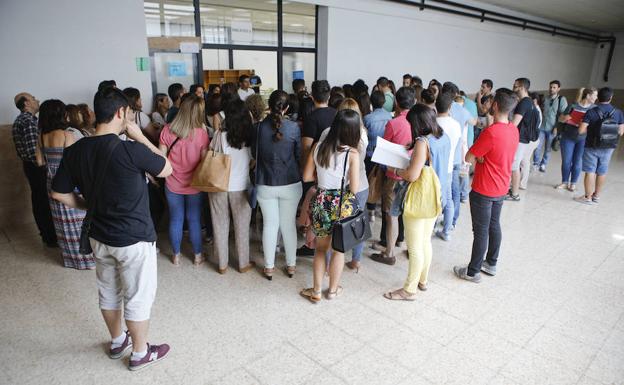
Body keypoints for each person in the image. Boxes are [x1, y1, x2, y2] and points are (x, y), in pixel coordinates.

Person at [51, 87, 173, 371]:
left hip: (99, 236)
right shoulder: (130, 150)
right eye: (128, 114)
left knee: (108, 290)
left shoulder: (76, 149)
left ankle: (118, 340)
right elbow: (167, 169)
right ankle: (141, 353)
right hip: (134, 237)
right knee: (137, 295)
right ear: (121, 113)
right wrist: (141, 137)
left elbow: (58, 193)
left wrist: (86, 205)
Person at [454, 89, 519, 282]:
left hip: (484, 188)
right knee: (494, 225)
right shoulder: (513, 130)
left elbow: (468, 157)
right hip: (501, 187)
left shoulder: (491, 133)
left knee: (480, 231)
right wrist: (482, 157)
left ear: (495, 105)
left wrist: (481, 158)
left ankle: (472, 271)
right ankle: (491, 263)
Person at [300, 109, 361, 303]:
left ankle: (316, 291)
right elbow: (355, 187)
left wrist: (323, 178)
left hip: (321, 201)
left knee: (320, 249)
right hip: (341, 204)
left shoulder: (318, 146)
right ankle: (333, 291)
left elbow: (306, 177)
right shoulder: (352, 153)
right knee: (339, 250)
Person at [383, 104, 442, 300]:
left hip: (419, 197)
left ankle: (409, 290)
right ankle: (422, 280)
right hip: (433, 194)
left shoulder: (421, 143)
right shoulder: (439, 137)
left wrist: (397, 171)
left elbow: (412, 175)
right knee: (426, 241)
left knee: (415, 246)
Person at [38, 100, 94, 270]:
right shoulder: (66, 134)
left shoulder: (41, 135)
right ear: (62, 114)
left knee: (61, 221)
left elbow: (39, 161)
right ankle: (86, 259)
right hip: (67, 181)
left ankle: (70, 259)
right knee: (78, 219)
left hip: (50, 181)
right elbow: (72, 162)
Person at [253, 90, 302, 280]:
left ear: (269, 105)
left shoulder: (257, 128)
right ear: (287, 107)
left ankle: (269, 267)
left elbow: (253, 154)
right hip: (290, 181)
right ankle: (291, 266)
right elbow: (298, 155)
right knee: (288, 225)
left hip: (265, 182)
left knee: (270, 225)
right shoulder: (294, 128)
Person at [159, 95, 209, 266]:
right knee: (194, 219)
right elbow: (204, 162)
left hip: (172, 184)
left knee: (176, 219)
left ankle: (176, 255)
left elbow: (161, 159)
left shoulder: (166, 130)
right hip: (194, 185)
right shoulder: (202, 134)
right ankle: (197, 256)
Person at [370, 87, 416, 266]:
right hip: (412, 174)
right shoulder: (417, 122)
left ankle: (389, 252)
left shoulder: (394, 123)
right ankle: (404, 244)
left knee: (391, 215)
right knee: (406, 212)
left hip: (394, 175)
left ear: (396, 102)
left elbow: (385, 149)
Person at [208, 99, 254, 273]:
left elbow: (211, 152)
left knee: (219, 223)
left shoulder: (220, 134)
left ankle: (222, 264)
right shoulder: (250, 135)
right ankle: (243, 264)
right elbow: (253, 160)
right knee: (242, 226)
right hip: (241, 185)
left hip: (219, 184)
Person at [12, 92, 57, 247]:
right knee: (43, 201)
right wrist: (47, 165)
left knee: (39, 199)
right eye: (32, 98)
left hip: (31, 166)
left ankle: (47, 235)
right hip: (37, 166)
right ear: (26, 104)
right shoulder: (29, 121)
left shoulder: (24, 120)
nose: (37, 100)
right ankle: (50, 237)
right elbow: (34, 152)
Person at [333, 98, 369, 272]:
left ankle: (327, 265)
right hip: (361, 183)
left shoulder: (331, 134)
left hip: (337, 185)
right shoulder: (362, 133)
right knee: (357, 223)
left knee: (332, 225)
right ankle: (356, 260)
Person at [574, 87, 624, 204]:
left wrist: (592, 131)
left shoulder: (591, 112)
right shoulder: (618, 113)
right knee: (602, 171)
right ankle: (596, 196)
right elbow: (621, 132)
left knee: (590, 170)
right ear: (611, 98)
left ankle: (587, 197)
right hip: (609, 146)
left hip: (592, 144)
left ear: (598, 98)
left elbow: (581, 131)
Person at [556, 88, 597, 191]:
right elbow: (560, 119)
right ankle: (564, 182)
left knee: (577, 161)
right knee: (566, 161)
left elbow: (596, 124)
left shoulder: (594, 109)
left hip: (584, 138)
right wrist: (565, 118)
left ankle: (573, 183)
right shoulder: (573, 106)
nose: (596, 98)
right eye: (594, 95)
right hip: (568, 137)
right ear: (588, 96)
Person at [434, 92, 461, 241]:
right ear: (450, 107)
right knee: (448, 199)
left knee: (432, 198)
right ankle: (447, 231)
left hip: (433, 167)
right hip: (449, 166)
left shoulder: (432, 123)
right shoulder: (456, 124)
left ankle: (430, 227)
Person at [507, 77, 539, 201]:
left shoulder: (524, 103)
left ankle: (514, 194)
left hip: (520, 139)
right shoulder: (529, 102)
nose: (513, 88)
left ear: (521, 87)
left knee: (514, 166)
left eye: (515, 86)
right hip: (523, 139)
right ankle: (513, 190)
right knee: (515, 165)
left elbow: (515, 123)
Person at [363, 91, 393, 221]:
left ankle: (371, 211)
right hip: (385, 154)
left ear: (371, 102)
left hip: (371, 154)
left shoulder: (368, 118)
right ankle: (383, 208)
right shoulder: (390, 117)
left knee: (371, 181)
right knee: (383, 182)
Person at [533, 80, 568, 172]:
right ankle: (536, 163)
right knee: (537, 146)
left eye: (554, 87)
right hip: (542, 127)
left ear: (558, 89)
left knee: (548, 148)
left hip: (553, 128)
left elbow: (563, 115)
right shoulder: (545, 98)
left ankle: (543, 164)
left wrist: (557, 127)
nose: (551, 89)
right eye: (550, 87)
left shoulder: (561, 100)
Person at [301, 80, 336, 170]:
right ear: (329, 96)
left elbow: (306, 147)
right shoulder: (337, 114)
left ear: (312, 97)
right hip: (336, 162)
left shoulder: (311, 118)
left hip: (318, 165)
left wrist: (305, 169)